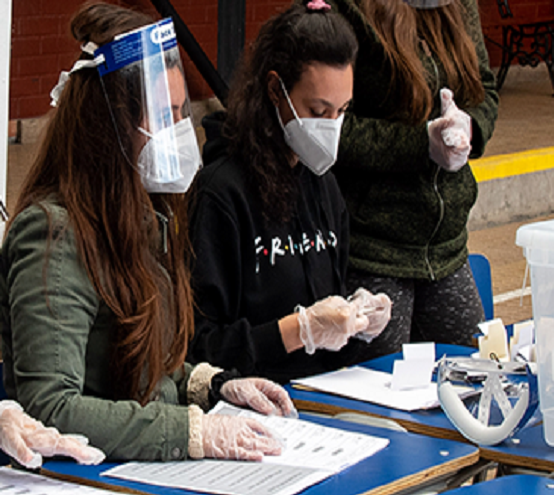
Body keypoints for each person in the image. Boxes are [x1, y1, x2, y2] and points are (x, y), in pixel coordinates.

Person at [0, 4, 292, 467]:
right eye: (165, 115)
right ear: (111, 125)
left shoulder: (145, 213)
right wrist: (193, 432)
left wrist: (211, 386)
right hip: (91, 481)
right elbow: (48, 407)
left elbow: (143, 374)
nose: (180, 131)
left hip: (141, 471)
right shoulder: (55, 233)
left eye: (181, 113)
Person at [188, 0, 391, 384]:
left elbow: (330, 301)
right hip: (254, 402)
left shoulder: (323, 183)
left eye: (342, 111)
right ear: (275, 90)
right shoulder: (221, 195)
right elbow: (200, 348)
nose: (330, 128)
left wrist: (356, 320)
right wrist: (297, 331)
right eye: (317, 111)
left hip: (327, 391)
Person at [325, 0, 499, 359]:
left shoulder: (458, 5)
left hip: (446, 246)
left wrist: (470, 127)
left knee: (477, 377)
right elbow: (329, 128)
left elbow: (485, 88)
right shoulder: (344, 10)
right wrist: (421, 145)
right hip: (373, 249)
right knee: (375, 396)